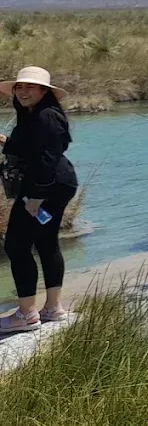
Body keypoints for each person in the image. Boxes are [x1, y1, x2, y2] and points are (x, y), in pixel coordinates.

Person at [0, 67, 79, 333]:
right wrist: (4, 141)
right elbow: (29, 149)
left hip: (46, 187)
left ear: (44, 91)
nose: (23, 91)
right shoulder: (34, 115)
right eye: (19, 87)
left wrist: (36, 196)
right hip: (54, 184)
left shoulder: (46, 116)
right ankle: (52, 309)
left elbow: (47, 158)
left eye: (30, 87)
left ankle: (26, 314)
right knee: (46, 242)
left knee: (17, 246)